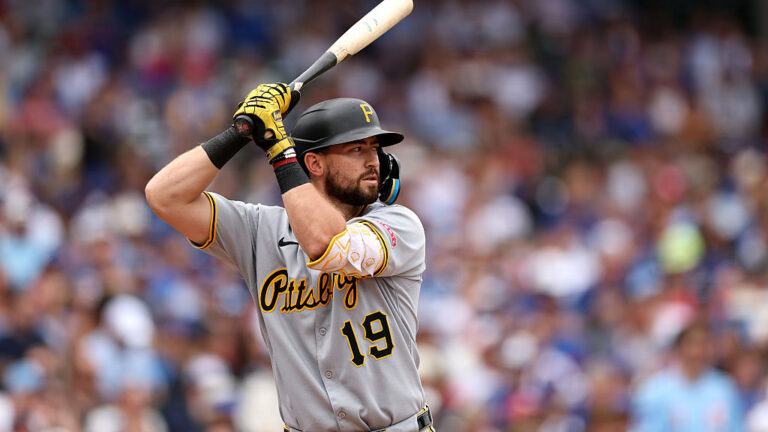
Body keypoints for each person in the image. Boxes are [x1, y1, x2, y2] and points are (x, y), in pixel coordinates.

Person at [145, 83, 433, 432]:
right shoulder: (260, 230)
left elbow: (326, 243)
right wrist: (241, 131)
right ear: (313, 162)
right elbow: (164, 196)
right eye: (357, 149)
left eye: (374, 148)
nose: (373, 160)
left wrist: (279, 149)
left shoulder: (398, 224)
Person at [631, 320, 744, 432]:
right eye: (692, 344)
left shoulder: (724, 388)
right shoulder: (655, 391)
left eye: (704, 345)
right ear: (679, 348)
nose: (698, 352)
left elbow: (736, 427)